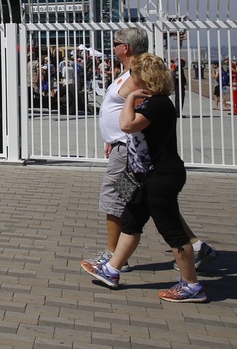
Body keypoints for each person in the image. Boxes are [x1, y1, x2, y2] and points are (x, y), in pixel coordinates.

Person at [82, 53, 208, 303]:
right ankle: (112, 269)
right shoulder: (149, 101)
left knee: (171, 230)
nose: (131, 78)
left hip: (159, 175)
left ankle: (191, 285)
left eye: (135, 74)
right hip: (138, 174)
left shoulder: (157, 103)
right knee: (130, 220)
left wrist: (129, 99)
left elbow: (127, 125)